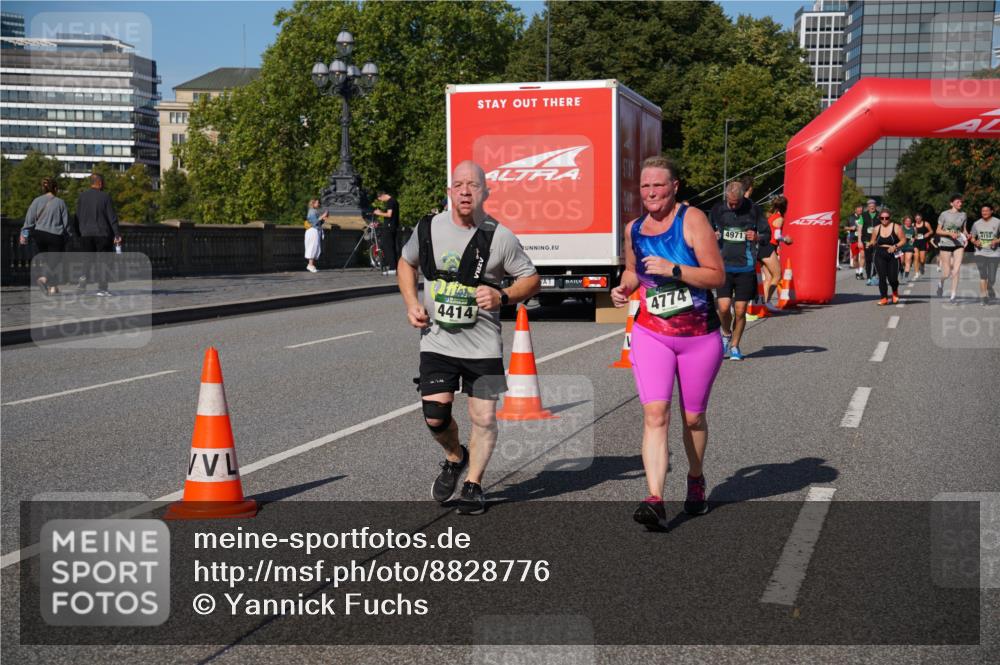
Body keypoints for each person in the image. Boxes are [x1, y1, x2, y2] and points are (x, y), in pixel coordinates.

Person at [397, 161, 539, 516]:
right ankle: (455, 456)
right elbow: (405, 262)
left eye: (473, 185)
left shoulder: (499, 237)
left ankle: (474, 484)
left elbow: (531, 279)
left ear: (485, 193)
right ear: (449, 192)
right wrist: (412, 303)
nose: (465, 191)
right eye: (458, 185)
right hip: (437, 341)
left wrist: (503, 296)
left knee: (484, 418)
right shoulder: (428, 227)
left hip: (483, 346)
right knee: (434, 415)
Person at [610, 156, 725, 527]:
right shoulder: (634, 229)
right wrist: (624, 287)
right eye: (645, 186)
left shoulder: (692, 220)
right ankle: (655, 498)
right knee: (654, 415)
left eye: (658, 185)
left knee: (692, 418)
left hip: (698, 335)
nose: (651, 192)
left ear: (675, 186)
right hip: (651, 334)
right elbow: (632, 271)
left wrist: (675, 269)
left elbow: (716, 276)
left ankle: (695, 479)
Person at [709, 180, 769, 361]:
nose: (733, 206)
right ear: (726, 196)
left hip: (746, 266)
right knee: (724, 307)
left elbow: (767, 235)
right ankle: (726, 333)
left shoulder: (754, 209)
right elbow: (704, 231)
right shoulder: (717, 210)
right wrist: (712, 235)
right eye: (730, 203)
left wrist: (757, 236)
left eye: (737, 203)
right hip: (723, 266)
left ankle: (735, 346)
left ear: (744, 196)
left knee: (741, 310)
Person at [19, 177, 72, 296]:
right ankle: (43, 279)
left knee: (48, 261)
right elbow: (66, 224)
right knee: (55, 261)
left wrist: (24, 235)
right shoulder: (60, 202)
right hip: (55, 236)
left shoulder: (36, 201)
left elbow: (29, 221)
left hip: (40, 235)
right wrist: (69, 237)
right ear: (56, 188)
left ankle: (53, 288)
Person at [75, 173, 121, 296]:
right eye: (103, 182)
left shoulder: (82, 197)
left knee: (87, 259)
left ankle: (83, 279)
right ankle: (102, 289)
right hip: (102, 234)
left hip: (85, 234)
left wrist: (78, 233)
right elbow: (112, 217)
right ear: (100, 183)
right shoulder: (105, 197)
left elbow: (77, 217)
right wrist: (117, 234)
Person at [935, 193, 968, 301]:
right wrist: (949, 234)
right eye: (958, 202)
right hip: (946, 243)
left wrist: (967, 236)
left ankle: (953, 294)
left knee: (956, 270)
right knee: (947, 272)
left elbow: (963, 230)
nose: (960, 203)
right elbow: (938, 231)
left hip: (959, 244)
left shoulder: (963, 215)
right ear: (951, 203)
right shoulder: (944, 214)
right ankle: (941, 282)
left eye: (961, 202)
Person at [868, 208, 904, 305]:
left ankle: (895, 292)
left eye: (886, 218)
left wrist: (895, 246)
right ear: (879, 218)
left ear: (890, 218)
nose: (884, 220)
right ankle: (884, 297)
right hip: (879, 253)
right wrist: (869, 244)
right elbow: (873, 240)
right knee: (882, 277)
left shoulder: (896, 227)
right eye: (882, 218)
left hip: (893, 253)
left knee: (892, 278)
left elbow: (903, 240)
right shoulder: (876, 228)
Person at [970, 203, 998, 305]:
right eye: (982, 211)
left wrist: (997, 241)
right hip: (980, 252)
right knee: (983, 275)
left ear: (991, 211)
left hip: (994, 253)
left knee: (992, 278)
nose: (984, 213)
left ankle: (990, 287)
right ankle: (983, 297)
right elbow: (972, 237)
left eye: (986, 211)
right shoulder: (976, 224)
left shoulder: (997, 222)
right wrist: (975, 242)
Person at [761, 195, 786, 305]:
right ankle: (767, 302)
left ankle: (763, 303)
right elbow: (777, 236)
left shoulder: (770, 216)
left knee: (768, 277)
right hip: (769, 247)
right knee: (777, 275)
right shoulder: (779, 218)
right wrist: (786, 239)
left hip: (762, 247)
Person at [373, 191, 400, 275]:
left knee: (387, 246)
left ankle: (392, 268)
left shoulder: (390, 202)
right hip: (391, 226)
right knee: (389, 246)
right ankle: (394, 267)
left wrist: (379, 213)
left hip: (389, 228)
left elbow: (389, 215)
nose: (381, 201)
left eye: (380, 199)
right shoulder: (394, 201)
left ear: (382, 196)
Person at [304, 199, 327, 273]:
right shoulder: (312, 211)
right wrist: (322, 216)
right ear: (313, 203)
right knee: (312, 247)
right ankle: (310, 265)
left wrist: (323, 219)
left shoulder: (314, 211)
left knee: (315, 247)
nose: (319, 204)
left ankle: (311, 264)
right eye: (317, 203)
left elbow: (318, 222)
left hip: (315, 231)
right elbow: (314, 222)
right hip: (312, 230)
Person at [860, 199, 880, 285]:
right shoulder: (863, 215)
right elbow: (860, 228)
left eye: (873, 205)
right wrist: (859, 241)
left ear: (875, 206)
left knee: (876, 258)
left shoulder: (880, 215)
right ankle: (868, 277)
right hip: (866, 240)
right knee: (868, 259)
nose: (872, 207)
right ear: (868, 207)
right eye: (870, 205)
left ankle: (874, 275)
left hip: (877, 241)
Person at [912, 212, 932, 279]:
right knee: (916, 257)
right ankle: (916, 273)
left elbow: (931, 231)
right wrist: (913, 235)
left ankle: (922, 266)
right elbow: (911, 234)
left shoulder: (925, 223)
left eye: (919, 218)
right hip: (916, 242)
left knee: (922, 260)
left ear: (921, 218)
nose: (917, 220)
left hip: (923, 242)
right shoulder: (913, 225)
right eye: (916, 218)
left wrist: (928, 234)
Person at [847, 205, 864, 277]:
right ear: (855, 210)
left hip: (862, 239)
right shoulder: (850, 218)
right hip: (853, 240)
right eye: (859, 210)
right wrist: (851, 228)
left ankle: (861, 272)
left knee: (863, 256)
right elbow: (844, 227)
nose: (860, 211)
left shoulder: (863, 217)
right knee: (855, 258)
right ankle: (857, 272)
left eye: (861, 210)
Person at [900, 215, 916, 281]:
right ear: (904, 222)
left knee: (908, 260)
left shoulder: (914, 228)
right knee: (901, 261)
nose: (908, 222)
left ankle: (906, 276)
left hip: (909, 246)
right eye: (907, 221)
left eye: (909, 221)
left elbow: (915, 236)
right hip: (901, 246)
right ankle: (901, 271)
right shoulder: (901, 227)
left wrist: (913, 240)